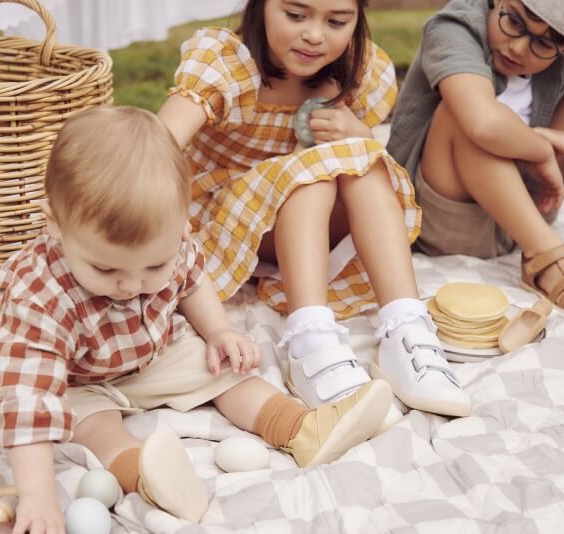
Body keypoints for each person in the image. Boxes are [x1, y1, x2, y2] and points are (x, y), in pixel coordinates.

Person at [0, 106, 395, 534]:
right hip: (73, 380)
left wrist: (218, 330)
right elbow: (31, 402)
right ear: (54, 223)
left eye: (153, 268)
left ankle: (302, 428)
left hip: (152, 351)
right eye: (106, 271)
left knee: (222, 370)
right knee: (93, 426)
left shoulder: (169, 241)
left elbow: (192, 281)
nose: (131, 286)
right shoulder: (36, 295)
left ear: (182, 225)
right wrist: (38, 498)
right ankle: (147, 476)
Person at [157, 0, 472, 424]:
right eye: (296, 15)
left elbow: (363, 152)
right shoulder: (228, 66)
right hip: (231, 224)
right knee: (314, 174)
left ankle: (405, 328)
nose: (315, 35)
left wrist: (356, 133)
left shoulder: (356, 73)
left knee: (361, 161)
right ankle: (309, 340)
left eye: (337, 21)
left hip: (310, 231)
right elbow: (156, 145)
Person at [388, 0, 564, 314]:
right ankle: (544, 253)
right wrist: (542, 151)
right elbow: (483, 122)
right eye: (514, 22)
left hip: (524, 213)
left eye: (544, 44)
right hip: (448, 220)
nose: (519, 47)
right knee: (463, 111)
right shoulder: (454, 29)